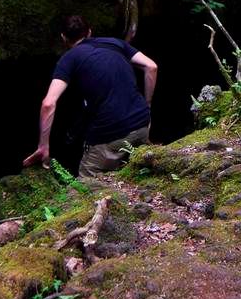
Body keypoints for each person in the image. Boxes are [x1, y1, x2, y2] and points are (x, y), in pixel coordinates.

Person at [23, 14, 157, 177]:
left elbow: (48, 104)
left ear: (63, 37)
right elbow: (151, 66)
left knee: (86, 187)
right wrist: (147, 104)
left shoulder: (69, 59)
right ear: (89, 32)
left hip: (110, 136)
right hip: (142, 125)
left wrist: (43, 146)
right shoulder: (115, 43)